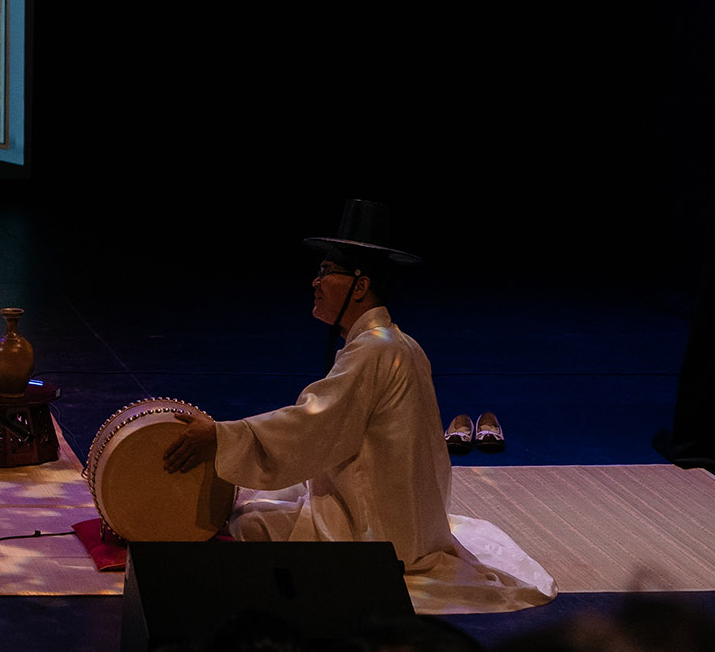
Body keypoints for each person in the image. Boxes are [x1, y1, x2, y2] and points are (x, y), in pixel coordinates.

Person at [160, 200, 555, 613]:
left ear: (360, 286)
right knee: (267, 492)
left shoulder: (374, 349)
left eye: (327, 271)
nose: (315, 281)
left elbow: (311, 427)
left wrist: (220, 436)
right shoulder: (399, 343)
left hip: (378, 532)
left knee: (249, 520)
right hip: (407, 516)